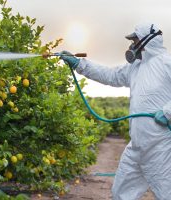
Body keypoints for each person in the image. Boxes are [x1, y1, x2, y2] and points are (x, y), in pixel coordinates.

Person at [59, 23, 171, 200]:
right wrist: (79, 64)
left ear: (145, 41)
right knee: (121, 194)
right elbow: (109, 75)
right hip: (136, 147)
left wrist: (168, 112)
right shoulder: (135, 68)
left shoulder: (166, 63)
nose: (131, 46)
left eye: (134, 41)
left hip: (160, 148)